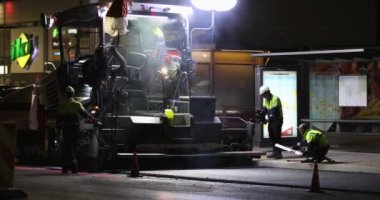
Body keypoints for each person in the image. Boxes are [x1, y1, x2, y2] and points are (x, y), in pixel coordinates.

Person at [57, 86, 94, 174]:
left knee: (67, 147)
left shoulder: (62, 105)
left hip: (65, 129)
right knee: (74, 147)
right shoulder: (76, 104)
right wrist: (93, 119)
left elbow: (58, 118)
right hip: (74, 129)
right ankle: (74, 166)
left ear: (65, 94)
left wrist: (58, 129)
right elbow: (84, 113)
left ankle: (65, 167)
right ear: (73, 94)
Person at [259, 85, 283, 159]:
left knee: (277, 136)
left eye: (263, 94)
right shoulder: (266, 100)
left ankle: (279, 153)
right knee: (271, 136)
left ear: (267, 92)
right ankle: (274, 152)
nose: (263, 96)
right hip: (271, 120)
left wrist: (267, 119)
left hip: (277, 120)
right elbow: (265, 110)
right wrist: (261, 115)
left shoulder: (276, 98)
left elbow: (274, 111)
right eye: (262, 95)